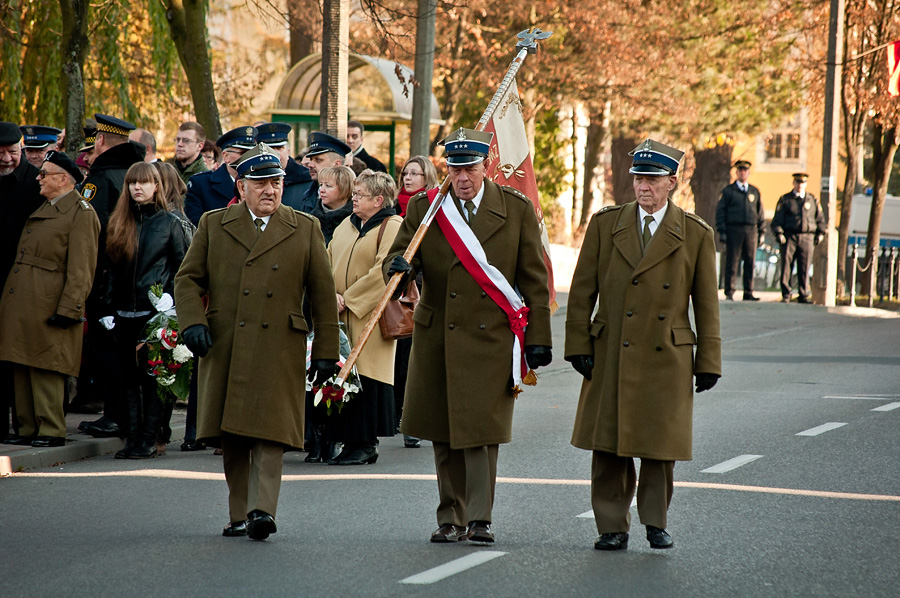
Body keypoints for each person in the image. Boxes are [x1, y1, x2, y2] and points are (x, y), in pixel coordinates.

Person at [384, 128, 553, 545]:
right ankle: (450, 517)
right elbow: (401, 255)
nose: (462, 178)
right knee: (443, 433)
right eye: (455, 169)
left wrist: (539, 338)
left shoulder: (515, 209)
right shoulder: (427, 206)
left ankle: (479, 518)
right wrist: (398, 268)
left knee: (481, 432)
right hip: (439, 332)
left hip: (490, 335)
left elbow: (535, 279)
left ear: (486, 166)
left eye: (470, 169)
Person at [175, 143, 340, 540]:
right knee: (232, 434)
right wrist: (192, 323)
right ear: (241, 186)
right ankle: (239, 514)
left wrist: (326, 352)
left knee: (270, 431)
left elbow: (323, 295)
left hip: (279, 344)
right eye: (262, 183)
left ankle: (262, 510)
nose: (271, 190)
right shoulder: (215, 224)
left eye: (277, 183)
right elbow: (187, 279)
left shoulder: (305, 227)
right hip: (226, 341)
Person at [565, 138, 722, 552]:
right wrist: (578, 342)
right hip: (611, 348)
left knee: (659, 447)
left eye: (652, 180)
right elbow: (581, 291)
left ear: (672, 182)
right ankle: (611, 525)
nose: (642, 187)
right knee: (608, 445)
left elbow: (707, 304)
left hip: (666, 353)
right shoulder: (606, 224)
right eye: (638, 179)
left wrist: (709, 360)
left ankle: (655, 522)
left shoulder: (694, 233)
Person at [0, 151, 100, 447]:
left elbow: (82, 268)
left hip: (50, 302)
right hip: (26, 301)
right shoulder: (48, 205)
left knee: (47, 367)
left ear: (63, 179)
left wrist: (70, 308)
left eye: (44, 174)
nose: (38, 178)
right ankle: (28, 427)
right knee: (23, 364)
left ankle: (51, 430)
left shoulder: (80, 213)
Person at [102, 162, 190, 458]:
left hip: (154, 314)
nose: (137, 188)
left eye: (144, 182)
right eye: (132, 183)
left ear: (157, 186)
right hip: (123, 313)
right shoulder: (118, 222)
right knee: (128, 379)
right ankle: (133, 438)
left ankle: (150, 438)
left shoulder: (170, 223)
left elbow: (182, 267)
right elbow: (110, 269)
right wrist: (108, 306)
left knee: (153, 379)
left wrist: (171, 297)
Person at [77, 113, 146, 440]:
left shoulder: (100, 178)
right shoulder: (135, 174)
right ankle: (130, 417)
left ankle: (115, 415)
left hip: (104, 278)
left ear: (100, 140)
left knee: (106, 350)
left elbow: (91, 229)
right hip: (134, 276)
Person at [326, 170, 400, 465]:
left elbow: (384, 271)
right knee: (343, 378)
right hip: (339, 314)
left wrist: (349, 300)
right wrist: (330, 295)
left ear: (379, 200)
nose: (353, 198)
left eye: (360, 194)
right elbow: (327, 260)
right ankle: (349, 442)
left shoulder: (392, 226)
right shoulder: (346, 224)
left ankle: (366, 444)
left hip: (370, 317)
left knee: (367, 380)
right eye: (354, 193)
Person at [301, 165, 355, 462]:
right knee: (309, 369)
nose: (321, 190)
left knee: (334, 369)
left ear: (345, 190)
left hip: (338, 302)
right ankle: (313, 436)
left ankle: (332, 436)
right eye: (320, 184)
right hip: (308, 301)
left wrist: (336, 293)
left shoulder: (351, 221)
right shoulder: (309, 218)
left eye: (329, 186)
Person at [394, 155, 439, 448]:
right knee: (397, 361)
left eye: (415, 174)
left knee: (413, 362)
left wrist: (416, 277)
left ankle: (414, 419)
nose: (408, 178)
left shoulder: (434, 208)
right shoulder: (393, 209)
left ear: (427, 178)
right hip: (397, 291)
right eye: (405, 173)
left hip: (421, 293)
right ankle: (398, 414)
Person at [183, 126, 256, 226]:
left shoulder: (264, 183)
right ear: (226, 156)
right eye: (243, 153)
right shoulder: (200, 184)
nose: (250, 157)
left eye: (253, 153)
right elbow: (196, 225)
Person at [771, 172, 825, 303]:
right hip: (789, 236)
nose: (800, 185)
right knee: (786, 266)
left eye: (803, 182)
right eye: (798, 182)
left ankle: (804, 294)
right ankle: (786, 294)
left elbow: (820, 219)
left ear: (806, 184)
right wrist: (779, 233)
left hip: (807, 237)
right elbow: (777, 220)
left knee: (805, 266)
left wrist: (820, 233)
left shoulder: (812, 199)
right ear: (793, 183)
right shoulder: (785, 199)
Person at [716, 160, 765, 301]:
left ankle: (748, 291)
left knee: (750, 261)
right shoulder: (728, 191)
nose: (743, 173)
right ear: (737, 172)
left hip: (751, 230)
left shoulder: (754, 191)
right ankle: (729, 291)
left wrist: (761, 231)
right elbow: (721, 212)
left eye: (745, 170)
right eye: (740, 170)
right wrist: (722, 231)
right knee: (732, 261)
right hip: (734, 229)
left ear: (748, 173)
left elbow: (760, 213)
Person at [255, 122, 313, 210]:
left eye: (280, 148)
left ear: (288, 152)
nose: (276, 153)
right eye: (270, 148)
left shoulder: (307, 180)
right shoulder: (249, 178)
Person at [296, 132, 350, 214]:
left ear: (336, 164)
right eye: (311, 159)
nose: (310, 165)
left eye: (318, 160)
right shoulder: (308, 195)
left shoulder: (356, 199)